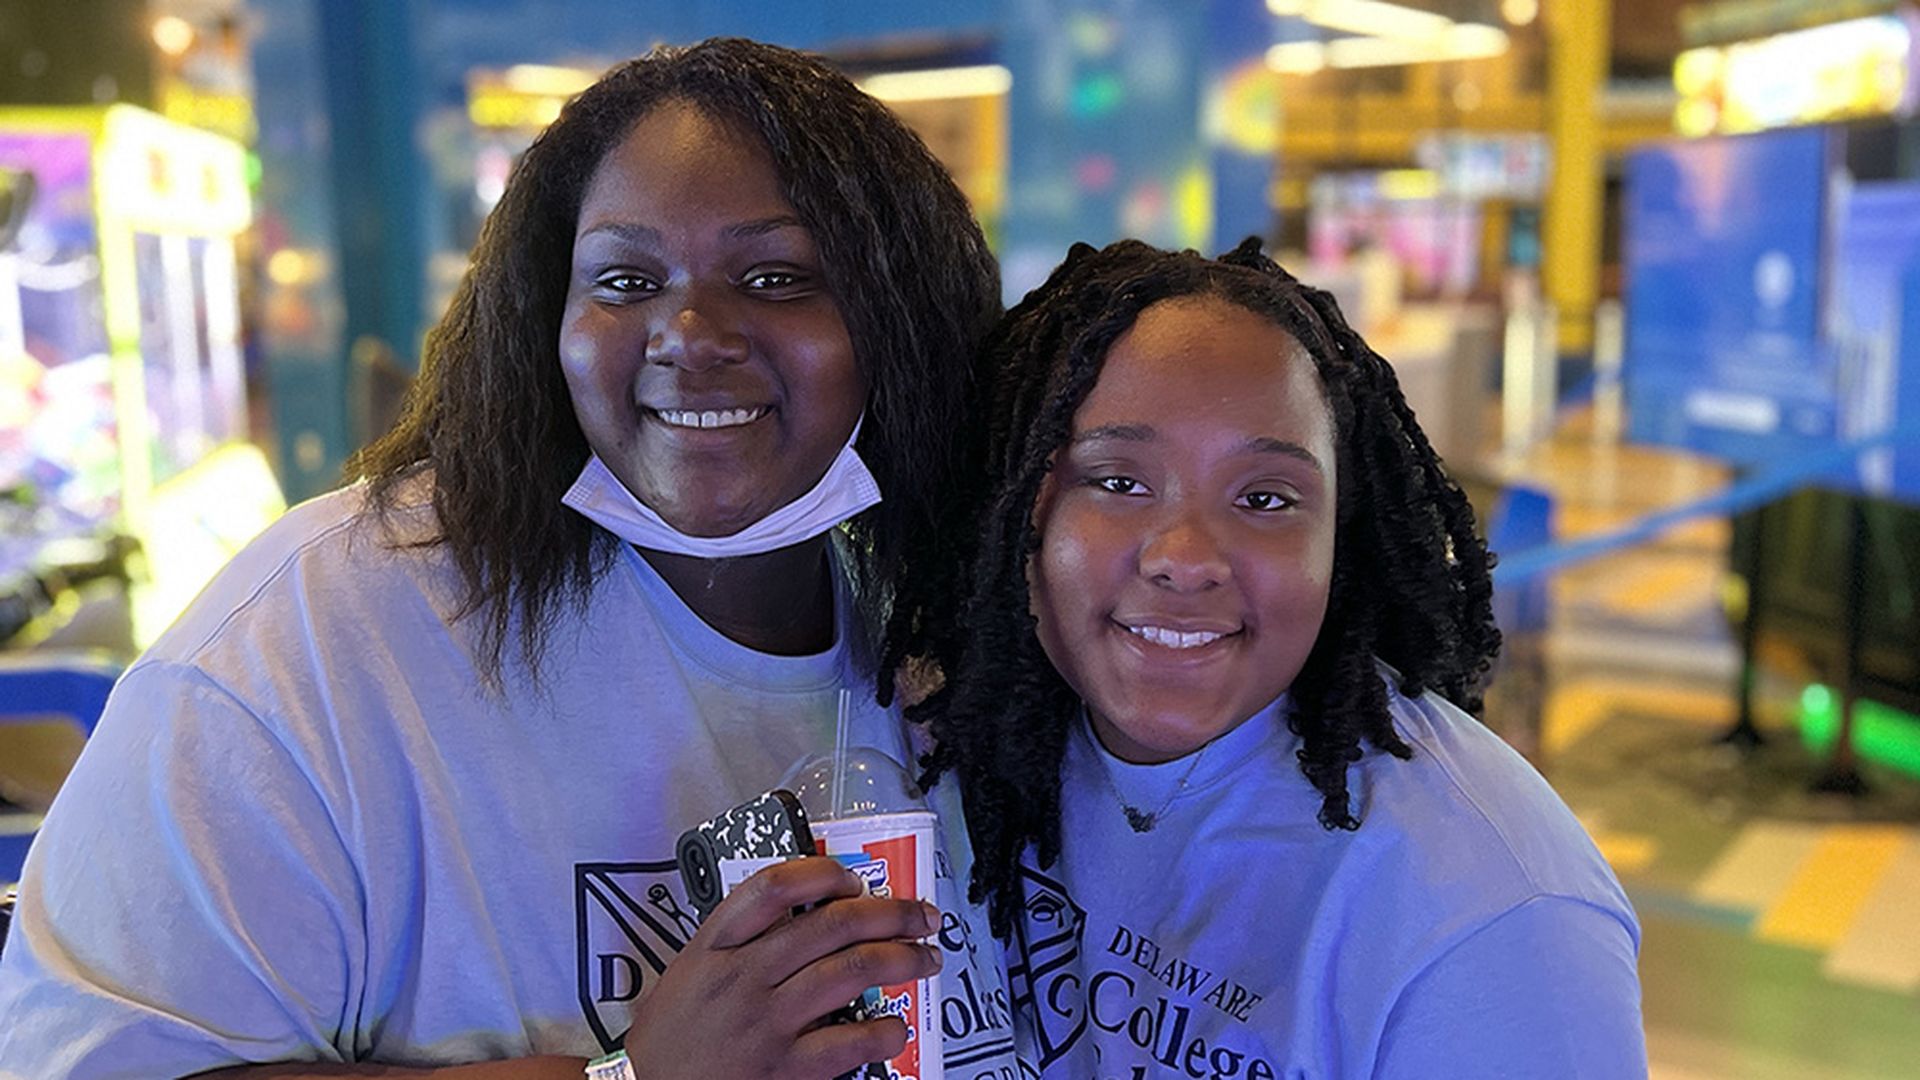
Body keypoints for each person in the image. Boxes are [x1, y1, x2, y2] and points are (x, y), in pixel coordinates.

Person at [0, 39, 1024, 1080]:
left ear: (899, 317)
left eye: (775, 277)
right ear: (546, 315)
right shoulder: (313, 637)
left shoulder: (957, 631)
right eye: (625, 279)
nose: (689, 332)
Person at [914, 239, 1646, 1078]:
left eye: (1264, 498)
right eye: (1118, 482)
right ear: (1017, 507)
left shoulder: (1494, 917)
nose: (1186, 558)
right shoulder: (953, 754)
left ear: (1340, 541)